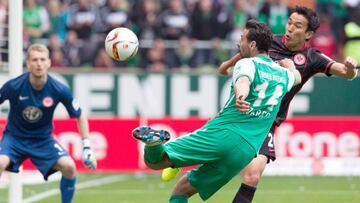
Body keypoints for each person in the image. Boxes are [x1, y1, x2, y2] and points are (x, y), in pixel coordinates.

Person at [133, 20, 301, 203]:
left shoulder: (247, 64)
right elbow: (297, 78)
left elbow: (243, 81)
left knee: (156, 161)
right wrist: (290, 67)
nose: (239, 43)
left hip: (224, 134)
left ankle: (154, 143)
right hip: (246, 152)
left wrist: (241, 96)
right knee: (182, 190)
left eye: (242, 39)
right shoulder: (284, 75)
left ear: (252, 45)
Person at [218, 6, 358, 203]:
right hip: (240, 114)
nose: (290, 28)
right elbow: (246, 51)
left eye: (297, 25)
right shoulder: (270, 41)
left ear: (308, 34)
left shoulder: (312, 57)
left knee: (252, 176)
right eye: (289, 22)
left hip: (266, 122)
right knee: (212, 166)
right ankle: (173, 160)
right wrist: (227, 64)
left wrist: (351, 68)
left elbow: (346, 72)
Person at [0, 44, 97, 203]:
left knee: (69, 167)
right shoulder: (14, 86)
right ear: (28, 64)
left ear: (49, 63)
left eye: (42, 59)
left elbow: (79, 115)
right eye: (35, 60)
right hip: (14, 138)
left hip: (42, 140)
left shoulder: (59, 89)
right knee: (0, 162)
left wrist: (87, 146)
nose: (39, 63)